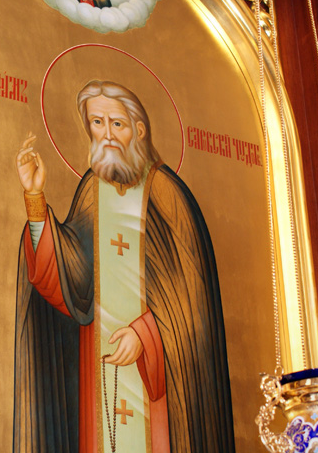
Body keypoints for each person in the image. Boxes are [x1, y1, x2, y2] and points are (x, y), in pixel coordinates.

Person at [13, 80, 234, 453]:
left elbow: (192, 304)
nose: (107, 135)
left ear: (139, 130)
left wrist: (146, 336)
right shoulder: (92, 190)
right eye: (97, 123)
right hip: (98, 369)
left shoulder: (166, 193)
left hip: (155, 378)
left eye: (117, 124)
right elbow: (69, 280)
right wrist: (35, 197)